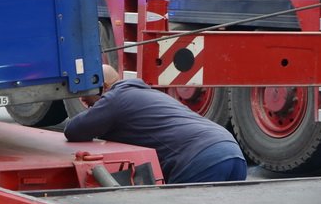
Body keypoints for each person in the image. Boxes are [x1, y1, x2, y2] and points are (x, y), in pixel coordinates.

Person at [64, 65, 247, 184]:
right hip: (231, 151)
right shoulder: (147, 94)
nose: (85, 102)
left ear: (102, 86)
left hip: (201, 160)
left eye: (87, 99)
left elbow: (74, 130)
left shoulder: (115, 99)